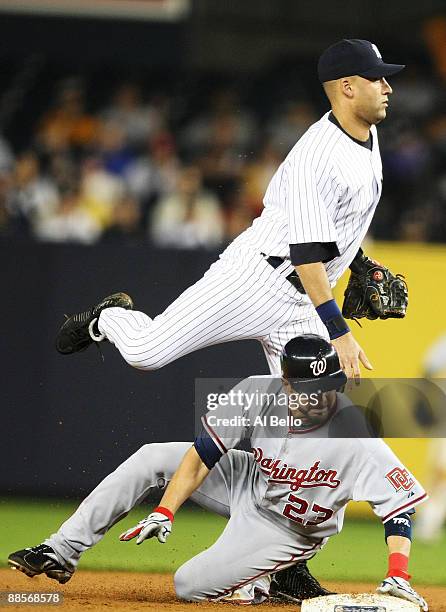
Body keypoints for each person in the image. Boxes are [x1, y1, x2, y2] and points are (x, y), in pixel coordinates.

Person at [56, 39, 406, 380]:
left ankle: (246, 441)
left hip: (305, 301)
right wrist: (339, 332)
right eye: (376, 78)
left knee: (313, 411)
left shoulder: (367, 137)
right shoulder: (317, 156)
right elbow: (305, 255)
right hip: (258, 281)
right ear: (347, 87)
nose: (387, 87)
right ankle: (110, 318)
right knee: (146, 352)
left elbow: (337, 219)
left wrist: (357, 263)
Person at [8, 336, 428, 609]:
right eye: (308, 389)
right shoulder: (256, 391)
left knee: (187, 586)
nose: (321, 397)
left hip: (288, 529)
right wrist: (165, 511)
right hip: (250, 479)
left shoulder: (355, 435)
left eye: (328, 387)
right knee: (152, 456)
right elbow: (202, 454)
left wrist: (398, 573)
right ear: (284, 383)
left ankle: (275, 576)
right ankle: (61, 550)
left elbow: (398, 510)